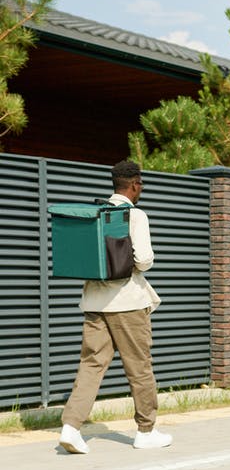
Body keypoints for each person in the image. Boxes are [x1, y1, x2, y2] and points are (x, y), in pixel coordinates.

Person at [59, 160, 172, 454]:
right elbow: (144, 259)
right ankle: (146, 431)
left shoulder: (96, 213)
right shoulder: (134, 215)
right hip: (128, 305)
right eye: (141, 184)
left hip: (95, 304)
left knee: (91, 365)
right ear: (134, 185)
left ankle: (70, 427)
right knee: (139, 367)